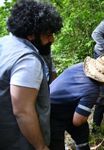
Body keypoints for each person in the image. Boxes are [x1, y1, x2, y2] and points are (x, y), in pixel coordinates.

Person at [0, 0, 63, 150]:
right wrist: (40, 146)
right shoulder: (27, 61)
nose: (52, 39)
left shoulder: (5, 42)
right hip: (18, 140)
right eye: (48, 35)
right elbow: (22, 111)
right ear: (30, 35)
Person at [49, 55, 104, 150]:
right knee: (57, 144)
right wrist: (86, 110)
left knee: (82, 133)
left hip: (60, 103)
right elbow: (77, 121)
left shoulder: (80, 66)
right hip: (52, 113)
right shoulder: (92, 90)